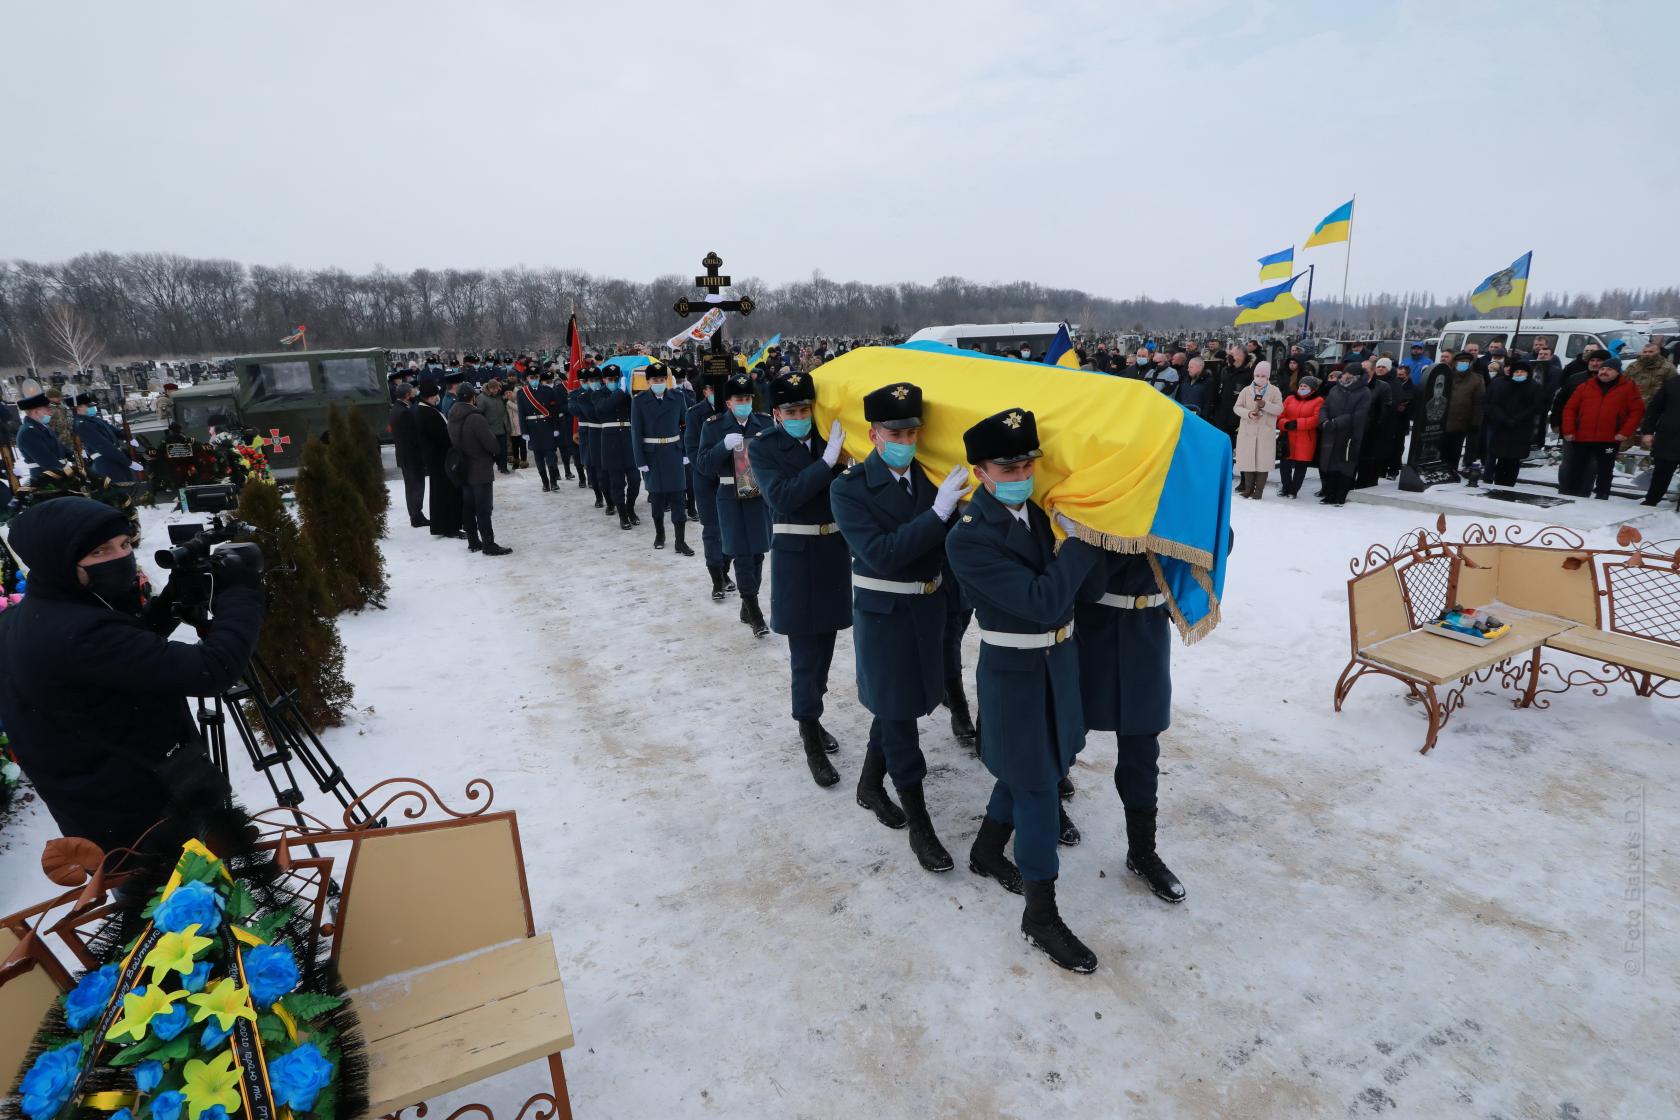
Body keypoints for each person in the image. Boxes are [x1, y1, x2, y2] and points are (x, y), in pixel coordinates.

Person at [0, 497, 263, 851]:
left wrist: (171, 601)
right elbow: (212, 669)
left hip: (98, 807)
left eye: (124, 544)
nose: (120, 557)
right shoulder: (79, 633)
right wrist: (242, 593)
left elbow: (117, 658)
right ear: (56, 561)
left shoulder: (32, 616)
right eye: (100, 552)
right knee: (195, 887)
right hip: (146, 826)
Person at [945, 407, 1105, 973]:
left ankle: (987, 849)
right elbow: (1042, 601)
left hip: (1058, 665)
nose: (1020, 474)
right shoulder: (968, 537)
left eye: (1027, 464)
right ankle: (1040, 917)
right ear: (980, 472)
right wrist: (1082, 544)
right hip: (1014, 676)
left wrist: (1087, 536)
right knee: (1038, 788)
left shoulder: (1040, 514)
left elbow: (1079, 594)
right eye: (1006, 467)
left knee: (1036, 766)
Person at [831, 380, 977, 872]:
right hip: (885, 618)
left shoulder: (932, 478)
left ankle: (869, 785)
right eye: (895, 434)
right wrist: (939, 513)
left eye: (913, 433)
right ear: (874, 435)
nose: (906, 442)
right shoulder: (849, 488)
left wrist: (963, 516)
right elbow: (882, 554)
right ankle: (920, 825)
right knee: (900, 720)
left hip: (930, 610)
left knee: (899, 706)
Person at [746, 371, 853, 787]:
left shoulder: (831, 439)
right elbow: (783, 497)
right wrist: (827, 465)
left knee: (825, 649)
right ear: (776, 414)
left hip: (832, 553)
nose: (799, 417)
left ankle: (814, 715)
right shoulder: (763, 447)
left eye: (804, 409)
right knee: (806, 656)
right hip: (797, 558)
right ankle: (809, 735)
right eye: (790, 411)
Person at [1074, 546, 1185, 905]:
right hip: (1094, 631)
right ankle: (1049, 803)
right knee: (1067, 733)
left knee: (1141, 751)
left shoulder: (1173, 507)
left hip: (1146, 634)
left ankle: (1142, 851)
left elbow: (1218, 542)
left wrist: (1188, 525)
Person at [697, 374, 773, 636]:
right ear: (728, 402)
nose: (744, 403)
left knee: (758, 553)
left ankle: (746, 605)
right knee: (742, 555)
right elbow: (703, 465)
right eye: (739, 399)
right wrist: (722, 446)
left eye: (747, 398)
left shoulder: (764, 422)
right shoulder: (713, 426)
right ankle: (755, 612)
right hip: (730, 495)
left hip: (757, 494)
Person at [631, 361, 693, 554]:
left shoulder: (677, 397)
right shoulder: (639, 401)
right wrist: (640, 460)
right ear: (648, 381)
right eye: (655, 380)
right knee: (657, 498)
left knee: (678, 497)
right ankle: (660, 534)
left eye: (662, 379)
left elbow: (686, 426)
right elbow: (636, 432)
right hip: (652, 454)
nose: (659, 383)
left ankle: (680, 541)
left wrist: (685, 452)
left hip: (674, 452)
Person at [1561, 358, 1644, 500]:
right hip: (1583, 436)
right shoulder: (1585, 386)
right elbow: (1570, 409)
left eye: (1609, 369)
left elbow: (1637, 411)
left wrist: (1624, 432)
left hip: (1609, 438)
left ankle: (1602, 494)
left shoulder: (1628, 387)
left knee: (1605, 469)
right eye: (1602, 369)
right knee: (1577, 466)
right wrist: (1568, 430)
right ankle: (1572, 493)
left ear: (1617, 372)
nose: (1604, 372)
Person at [446, 383, 512, 555]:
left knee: (468, 507)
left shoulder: (452, 415)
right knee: (483, 509)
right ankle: (489, 544)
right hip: (480, 468)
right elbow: (492, 444)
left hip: (463, 467)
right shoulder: (475, 418)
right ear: (472, 398)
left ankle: (473, 541)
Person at [686, 373, 734, 600]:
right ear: (705, 391)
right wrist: (713, 466)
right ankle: (717, 580)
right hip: (706, 479)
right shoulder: (695, 414)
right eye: (712, 389)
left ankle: (725, 570)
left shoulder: (733, 411)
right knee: (713, 530)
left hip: (733, 479)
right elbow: (693, 451)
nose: (717, 393)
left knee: (731, 529)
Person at [415, 380, 464, 540]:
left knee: (441, 493)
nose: (438, 398)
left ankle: (445, 524)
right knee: (445, 494)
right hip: (439, 459)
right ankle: (449, 526)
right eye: (436, 395)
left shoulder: (426, 410)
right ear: (430, 396)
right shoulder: (427, 413)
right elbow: (442, 437)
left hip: (437, 459)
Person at [1318, 365, 1372, 506]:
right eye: (1345, 373)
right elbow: (1324, 407)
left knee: (1345, 464)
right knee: (1330, 463)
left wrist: (1336, 422)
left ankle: (1340, 496)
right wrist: (1324, 421)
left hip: (1349, 434)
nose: (1346, 376)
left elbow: (1359, 414)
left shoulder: (1364, 392)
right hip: (1331, 432)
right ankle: (1329, 494)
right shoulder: (1335, 389)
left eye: (1350, 374)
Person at [1484, 359, 1544, 485]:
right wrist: (1504, 418)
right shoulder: (1503, 385)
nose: (1519, 374)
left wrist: (1518, 419)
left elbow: (1535, 407)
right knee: (1501, 457)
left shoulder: (1534, 387)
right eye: (1516, 371)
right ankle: (1499, 484)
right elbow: (1494, 404)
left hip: (1521, 428)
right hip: (1503, 426)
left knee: (1514, 459)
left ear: (1528, 373)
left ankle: (1509, 484)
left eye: (1522, 372)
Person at [1233, 360, 1282, 499]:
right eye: (1257, 375)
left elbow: (1279, 409)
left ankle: (1258, 491)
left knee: (1262, 463)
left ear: (1268, 377)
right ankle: (1248, 489)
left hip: (1265, 432)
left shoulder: (1274, 391)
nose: (1259, 378)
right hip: (1248, 430)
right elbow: (1237, 407)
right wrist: (1249, 413)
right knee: (1248, 461)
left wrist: (1265, 404)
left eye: (1263, 376)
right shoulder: (1246, 390)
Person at [598, 365, 639, 530]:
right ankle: (623, 515)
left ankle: (630, 508)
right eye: (610, 379)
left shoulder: (626, 393)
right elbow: (604, 408)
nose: (613, 382)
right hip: (611, 443)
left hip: (628, 440)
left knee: (635, 480)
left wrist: (630, 392)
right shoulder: (598, 394)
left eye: (616, 379)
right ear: (604, 380)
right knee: (617, 483)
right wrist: (620, 392)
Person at [518, 364, 564, 493]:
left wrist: (556, 427)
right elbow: (521, 413)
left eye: (536, 377)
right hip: (532, 429)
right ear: (527, 378)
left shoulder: (548, 390)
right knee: (539, 458)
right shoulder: (522, 393)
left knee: (551, 456)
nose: (534, 379)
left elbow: (554, 411)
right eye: (531, 377)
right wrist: (524, 431)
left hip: (547, 427)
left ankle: (553, 482)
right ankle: (545, 483)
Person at [1276, 375, 1322, 498]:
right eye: (1301, 385)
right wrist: (1285, 424)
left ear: (1312, 389)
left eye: (1305, 386)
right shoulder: (1290, 398)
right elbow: (1280, 416)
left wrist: (1297, 423)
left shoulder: (1318, 401)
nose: (1302, 388)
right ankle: (1285, 488)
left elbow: (1316, 419)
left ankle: (1294, 490)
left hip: (1306, 439)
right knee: (1285, 465)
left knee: (1300, 467)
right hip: (1288, 438)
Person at [1638, 373, 1680, 508]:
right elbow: (1654, 408)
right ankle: (1651, 501)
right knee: (1662, 472)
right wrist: (1648, 431)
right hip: (1669, 437)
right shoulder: (1672, 384)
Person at [73, 395, 136, 482]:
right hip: (106, 462)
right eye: (87, 406)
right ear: (78, 408)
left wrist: (130, 438)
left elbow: (116, 432)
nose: (90, 408)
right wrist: (128, 462)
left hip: (117, 458)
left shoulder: (96, 419)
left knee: (130, 485)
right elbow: (104, 446)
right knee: (120, 487)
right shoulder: (82, 425)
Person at [1440, 352, 1485, 473]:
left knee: (1455, 449)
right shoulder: (1446, 375)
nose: (1463, 364)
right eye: (1461, 362)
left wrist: (1475, 422)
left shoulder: (1476, 379)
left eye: (1466, 362)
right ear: (1455, 363)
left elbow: (1479, 403)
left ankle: (1452, 471)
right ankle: (1441, 470)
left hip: (1462, 421)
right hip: (1443, 420)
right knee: (1442, 449)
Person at [389, 383, 427, 527]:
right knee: (416, 486)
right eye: (412, 392)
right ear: (407, 395)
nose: (414, 393)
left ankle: (415, 514)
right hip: (411, 456)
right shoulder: (405, 412)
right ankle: (416, 516)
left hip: (404, 455)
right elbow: (413, 437)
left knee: (411, 486)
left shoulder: (396, 408)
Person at [16, 389, 70, 477]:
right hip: (45, 477)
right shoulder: (28, 432)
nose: (50, 412)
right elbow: (47, 461)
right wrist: (69, 473)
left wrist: (72, 455)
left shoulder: (42, 426)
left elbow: (58, 447)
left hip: (58, 473)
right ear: (35, 412)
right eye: (47, 409)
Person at [1626, 340, 1676, 406]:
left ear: (1658, 352)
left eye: (1651, 352)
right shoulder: (1633, 366)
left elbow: (1673, 388)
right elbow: (1625, 385)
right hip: (1636, 404)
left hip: (1656, 405)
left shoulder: (1668, 368)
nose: (1647, 354)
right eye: (1645, 352)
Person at [479, 378, 511, 474]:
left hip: (501, 427)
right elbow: (480, 413)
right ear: (489, 388)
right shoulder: (482, 398)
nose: (495, 390)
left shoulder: (499, 395)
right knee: (495, 451)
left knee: (503, 449)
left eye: (497, 388)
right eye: (493, 389)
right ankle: (498, 463)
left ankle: (504, 467)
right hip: (490, 429)